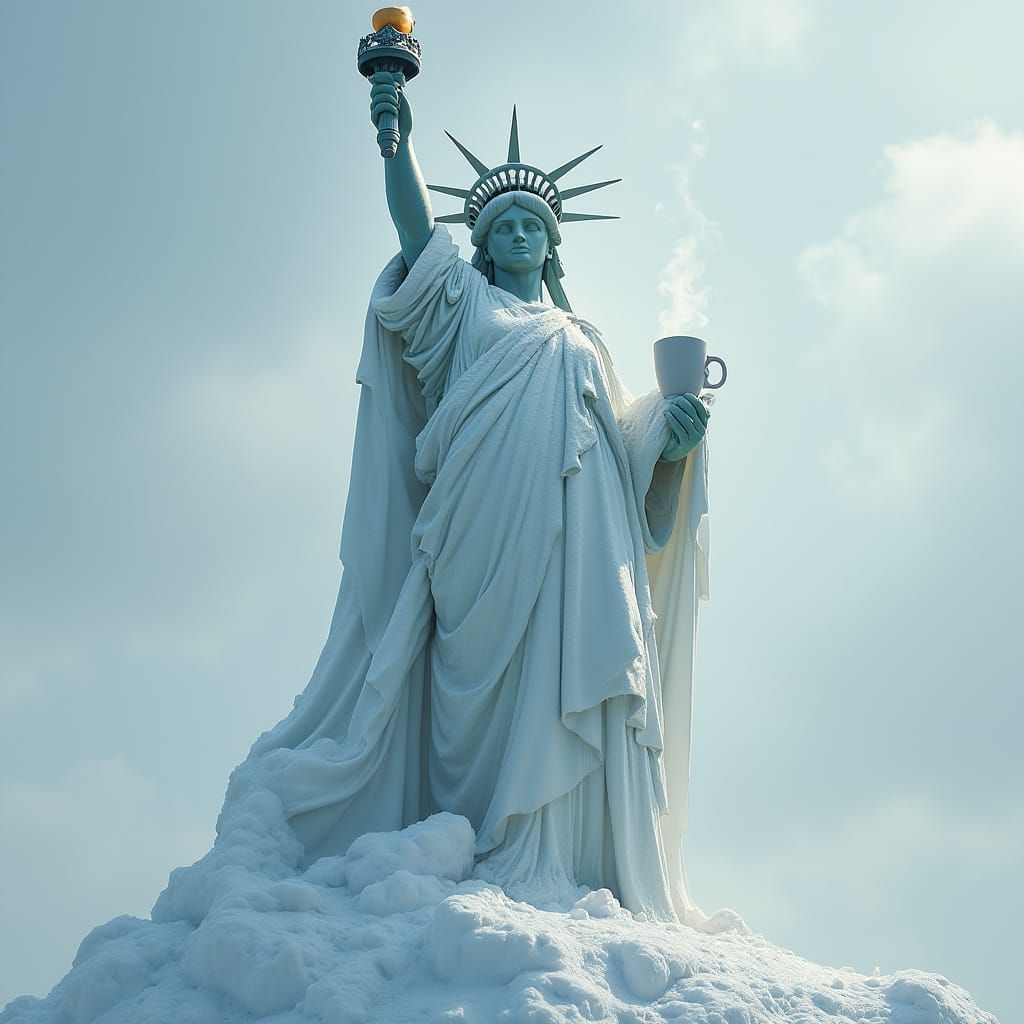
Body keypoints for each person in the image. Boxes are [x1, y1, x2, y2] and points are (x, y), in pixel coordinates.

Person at [206, 71, 715, 925]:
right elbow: (413, 229)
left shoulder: (583, 338)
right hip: (482, 534)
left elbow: (628, 463)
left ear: (551, 249)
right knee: (486, 684)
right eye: (502, 225)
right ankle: (470, 844)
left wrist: (670, 433)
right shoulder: (464, 305)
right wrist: (393, 139)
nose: (518, 232)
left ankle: (564, 860)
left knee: (573, 668)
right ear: (482, 246)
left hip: (585, 546)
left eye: (533, 227)